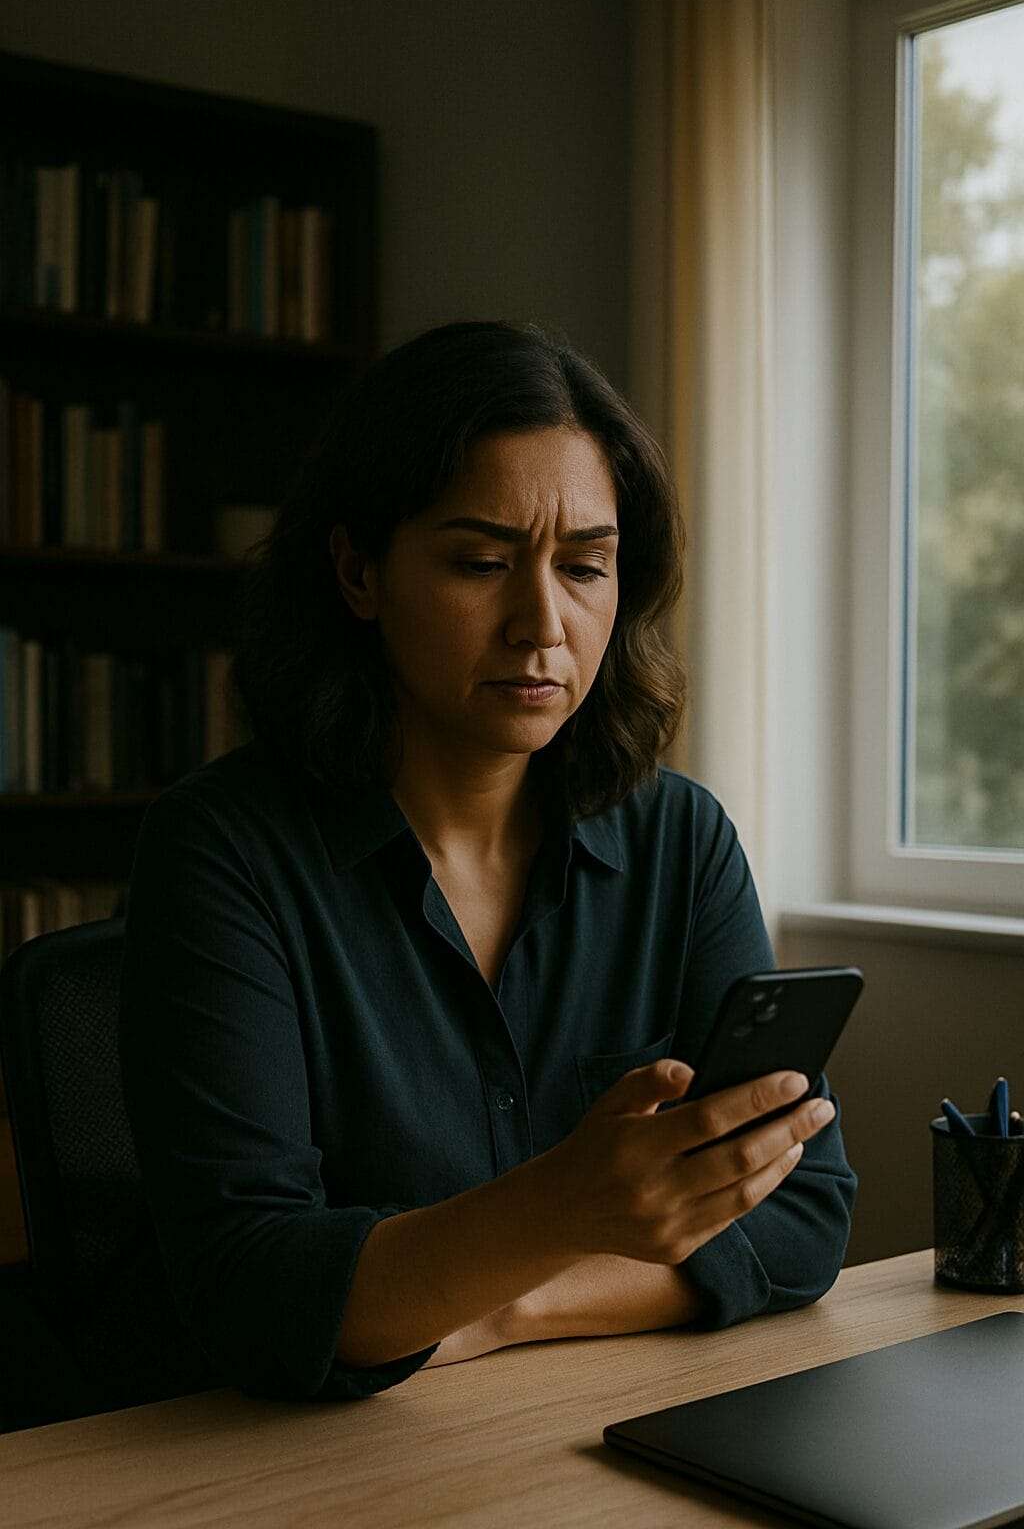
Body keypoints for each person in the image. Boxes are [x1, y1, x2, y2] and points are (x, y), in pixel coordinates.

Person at [115, 318, 856, 1408]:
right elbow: (254, 1293)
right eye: (479, 563)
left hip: (580, 1424)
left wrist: (499, 1306)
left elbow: (799, 1222)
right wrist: (557, 1215)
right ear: (359, 571)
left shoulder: (681, 842)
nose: (541, 624)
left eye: (585, 566)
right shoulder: (224, 851)